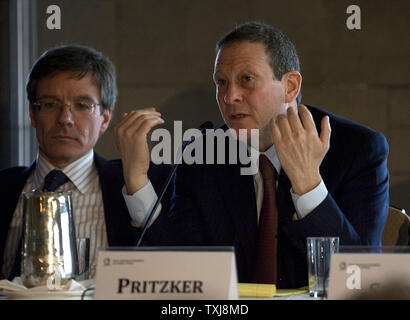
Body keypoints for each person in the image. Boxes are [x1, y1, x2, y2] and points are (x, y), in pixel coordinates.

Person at [117, 22, 389, 289]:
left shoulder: (358, 149)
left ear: (290, 86)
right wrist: (137, 180)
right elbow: (181, 273)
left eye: (246, 80)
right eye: (221, 82)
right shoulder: (202, 154)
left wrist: (308, 185)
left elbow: (361, 278)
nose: (229, 96)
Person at [0, 44, 169, 280]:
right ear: (32, 113)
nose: (65, 119)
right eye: (50, 104)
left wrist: (135, 179)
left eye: (82, 105)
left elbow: (170, 270)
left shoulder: (134, 186)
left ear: (105, 119)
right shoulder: (4, 187)